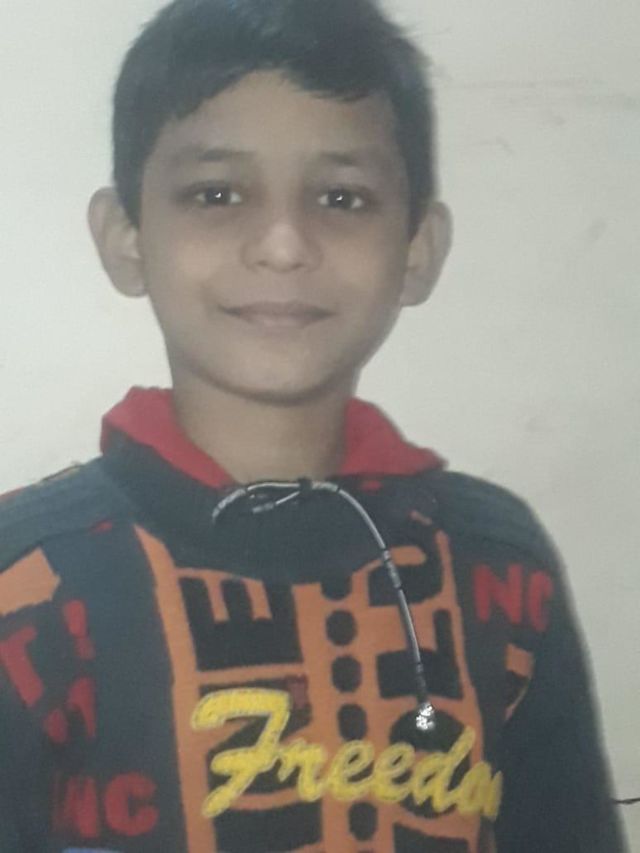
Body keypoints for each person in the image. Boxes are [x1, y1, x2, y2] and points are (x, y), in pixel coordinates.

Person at [0, 0, 627, 851]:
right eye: (216, 193)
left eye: (342, 197)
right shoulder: (27, 577)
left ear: (417, 249)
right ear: (127, 238)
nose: (284, 243)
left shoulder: (499, 565)